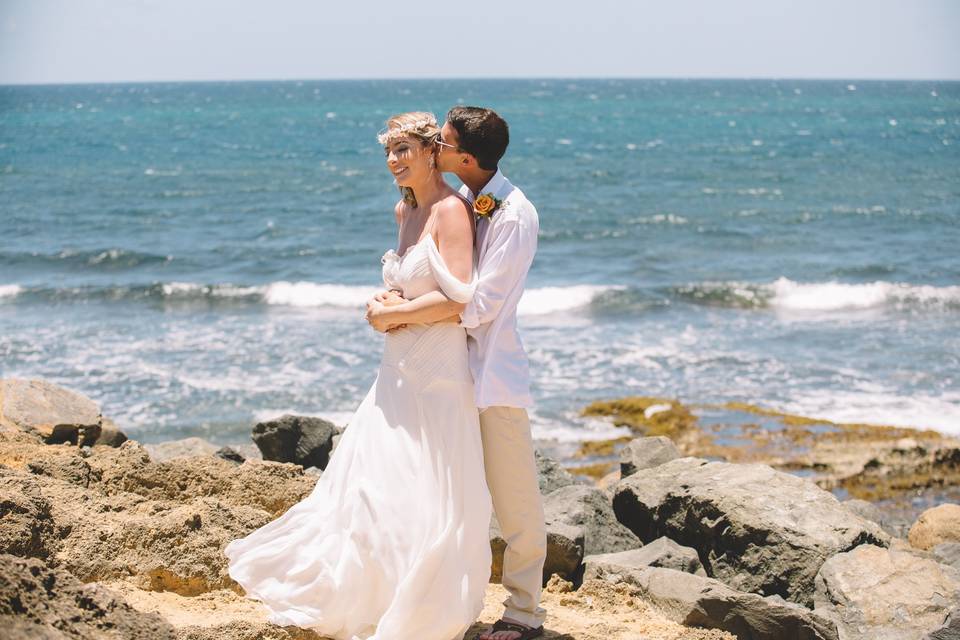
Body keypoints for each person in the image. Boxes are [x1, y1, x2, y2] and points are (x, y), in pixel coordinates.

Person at [224, 112, 492, 640]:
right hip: (395, 370)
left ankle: (419, 604)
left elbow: (459, 301)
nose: (393, 161)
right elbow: (412, 283)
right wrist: (385, 298)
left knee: (428, 488)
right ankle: (374, 592)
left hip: (436, 372)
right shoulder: (405, 208)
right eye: (388, 152)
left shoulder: (452, 211)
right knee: (373, 486)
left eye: (404, 150)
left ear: (430, 150)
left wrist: (391, 315)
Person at [368, 106, 546, 640]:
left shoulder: (514, 214)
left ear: (464, 157)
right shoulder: (466, 199)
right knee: (443, 490)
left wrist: (403, 314)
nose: (431, 148)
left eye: (439, 143)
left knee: (512, 496)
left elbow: (482, 303)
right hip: (445, 372)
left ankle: (524, 612)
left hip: (490, 375)